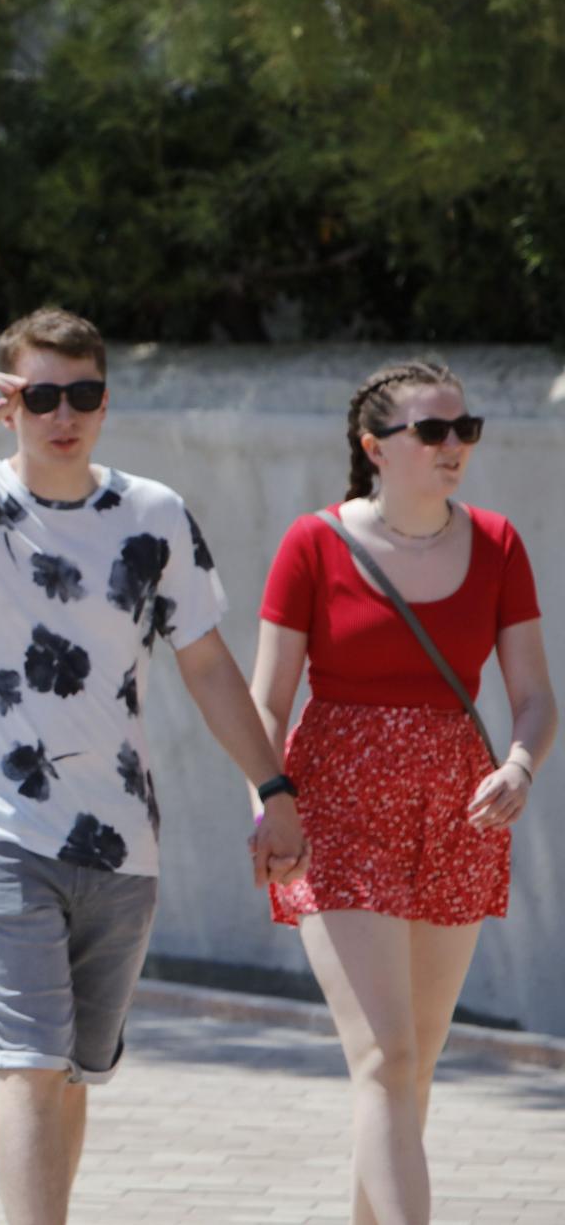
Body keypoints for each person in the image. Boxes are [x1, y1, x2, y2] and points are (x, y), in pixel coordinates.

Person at [0, 308, 307, 1225]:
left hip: (121, 841)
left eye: (81, 394)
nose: (62, 414)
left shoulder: (154, 517)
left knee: (73, 1072)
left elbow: (206, 664)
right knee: (30, 1064)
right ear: (9, 405)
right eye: (40, 396)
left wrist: (273, 787)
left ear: (105, 401)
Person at [250, 360, 556, 1225]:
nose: (454, 446)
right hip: (337, 806)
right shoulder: (313, 543)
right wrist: (268, 801)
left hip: (460, 807)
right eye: (433, 431)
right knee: (383, 1056)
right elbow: (268, 701)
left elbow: (534, 694)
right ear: (375, 447)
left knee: (415, 1063)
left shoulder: (497, 543)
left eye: (466, 429)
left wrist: (521, 764)